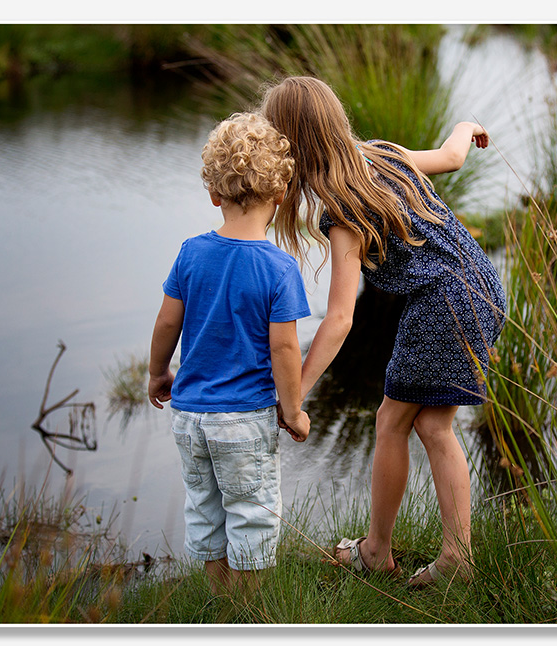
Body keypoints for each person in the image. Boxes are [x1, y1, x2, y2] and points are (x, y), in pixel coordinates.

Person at [260, 76, 506, 587]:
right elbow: (451, 158)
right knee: (432, 426)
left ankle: (378, 551)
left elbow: (340, 318)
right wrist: (466, 127)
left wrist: (295, 396)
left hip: (442, 304)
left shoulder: (342, 210)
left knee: (393, 422)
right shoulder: (384, 155)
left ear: (292, 148)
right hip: (483, 288)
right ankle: (453, 556)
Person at [147, 112, 312, 594]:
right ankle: (247, 612)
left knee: (205, 508)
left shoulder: (191, 253)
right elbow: (284, 347)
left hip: (190, 417)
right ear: (280, 194)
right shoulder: (279, 268)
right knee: (250, 514)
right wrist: (293, 411)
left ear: (214, 194)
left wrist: (158, 373)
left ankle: (219, 601)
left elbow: (167, 322)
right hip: (243, 418)